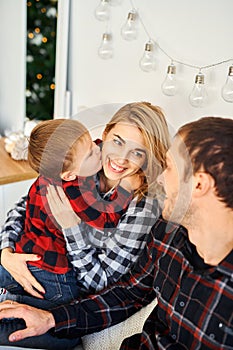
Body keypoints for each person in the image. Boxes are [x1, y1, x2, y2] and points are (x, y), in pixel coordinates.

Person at [0, 116, 232, 350]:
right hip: (33, 259)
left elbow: (102, 282)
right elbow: (127, 293)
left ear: (199, 185)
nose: (160, 179)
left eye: (168, 168)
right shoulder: (165, 235)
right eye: (116, 141)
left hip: (58, 275)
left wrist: (71, 227)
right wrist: (6, 250)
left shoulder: (146, 209)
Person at [0, 117, 138, 309]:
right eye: (91, 153)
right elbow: (106, 219)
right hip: (51, 268)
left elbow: (86, 151)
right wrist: (125, 190)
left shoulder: (54, 172)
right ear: (69, 175)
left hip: (25, 247)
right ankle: (11, 300)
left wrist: (104, 144)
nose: (98, 150)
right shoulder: (75, 192)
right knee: (66, 301)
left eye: (93, 142)